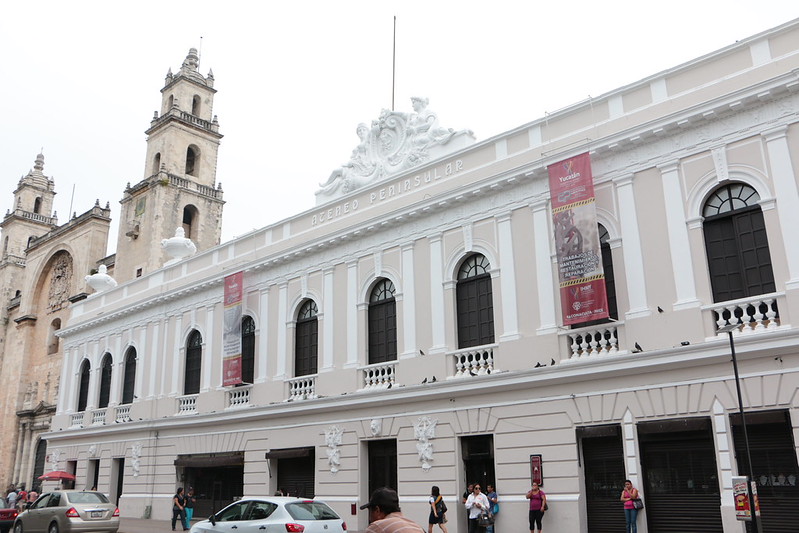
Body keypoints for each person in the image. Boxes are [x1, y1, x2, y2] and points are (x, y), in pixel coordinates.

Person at [360, 487, 425, 533]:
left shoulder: (377, 526)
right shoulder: (417, 527)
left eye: (370, 511)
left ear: (377, 510)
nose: (369, 518)